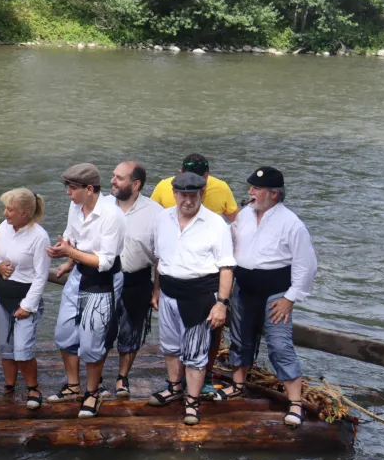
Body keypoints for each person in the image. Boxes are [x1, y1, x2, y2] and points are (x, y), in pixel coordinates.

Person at [215, 166, 317, 428]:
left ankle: (295, 402)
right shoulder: (244, 216)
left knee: (279, 345)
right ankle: (238, 385)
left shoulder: (292, 223)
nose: (250, 192)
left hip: (276, 294)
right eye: (251, 187)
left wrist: (290, 298)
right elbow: (229, 244)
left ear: (273, 194)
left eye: (256, 188)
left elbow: (306, 264)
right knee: (240, 338)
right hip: (244, 289)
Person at [148, 172, 235, 426]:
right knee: (170, 347)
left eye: (193, 195)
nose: (188, 200)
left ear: (201, 194)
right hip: (168, 293)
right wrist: (156, 290)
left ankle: (192, 402)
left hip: (200, 296)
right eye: (183, 195)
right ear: (174, 194)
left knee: (196, 354)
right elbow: (159, 259)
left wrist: (222, 303)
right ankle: (174, 388)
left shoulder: (216, 223)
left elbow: (227, 267)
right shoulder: (162, 218)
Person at [45, 164, 125, 419]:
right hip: (79, 273)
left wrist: (70, 253)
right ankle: (72, 386)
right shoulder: (75, 206)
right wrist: (65, 256)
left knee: (92, 341)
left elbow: (105, 262)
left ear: (89, 189)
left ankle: (93, 391)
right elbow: (72, 237)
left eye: (72, 188)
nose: (68, 193)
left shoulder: (112, 215)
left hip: (103, 280)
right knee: (64, 333)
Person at [0, 188, 51, 409]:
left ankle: (33, 388)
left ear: (25, 213)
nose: (5, 213)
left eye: (10, 209)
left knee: (22, 349)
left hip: (25, 299)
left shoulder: (39, 236)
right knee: (5, 346)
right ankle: (9, 386)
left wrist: (27, 306)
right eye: (6, 208)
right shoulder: (3, 227)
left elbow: (41, 276)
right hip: (2, 295)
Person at [107, 161, 161, 398]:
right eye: (113, 176)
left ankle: (122, 378)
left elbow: (161, 257)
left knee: (132, 331)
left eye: (119, 177)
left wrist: (157, 291)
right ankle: (94, 378)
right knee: (99, 330)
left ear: (136, 184)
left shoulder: (156, 212)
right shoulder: (103, 206)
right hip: (104, 277)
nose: (113, 180)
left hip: (138, 278)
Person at [150, 153, 239, 223]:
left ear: (208, 174)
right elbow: (150, 218)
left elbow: (238, 221)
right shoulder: (163, 187)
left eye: (202, 180)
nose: (197, 185)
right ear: (181, 174)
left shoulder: (221, 188)